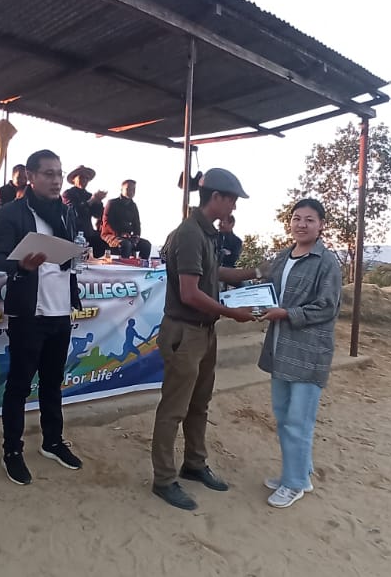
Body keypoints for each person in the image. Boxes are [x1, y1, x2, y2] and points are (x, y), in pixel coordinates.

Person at [150, 169, 262, 511]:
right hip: (185, 332)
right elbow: (189, 293)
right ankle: (163, 479)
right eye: (232, 200)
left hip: (203, 331)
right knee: (174, 409)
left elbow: (213, 273)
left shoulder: (207, 233)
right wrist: (231, 313)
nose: (234, 207)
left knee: (199, 403)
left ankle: (194, 464)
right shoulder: (189, 233)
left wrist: (257, 273)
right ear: (217, 197)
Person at [0, 149, 85, 485]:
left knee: (52, 382)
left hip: (60, 310)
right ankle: (12, 450)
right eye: (48, 173)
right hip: (29, 313)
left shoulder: (67, 212)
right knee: (19, 384)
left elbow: (72, 254)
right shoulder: (12, 212)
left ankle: (52, 441)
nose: (56, 180)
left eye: (59, 173)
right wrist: (21, 264)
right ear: (30, 176)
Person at [256, 199, 343, 509]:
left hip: (308, 352)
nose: (301, 225)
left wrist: (286, 313)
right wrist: (247, 300)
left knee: (299, 421)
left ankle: (293, 484)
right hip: (280, 349)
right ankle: (298, 475)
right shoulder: (283, 257)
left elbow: (327, 307)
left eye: (309, 219)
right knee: (283, 416)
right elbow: (264, 286)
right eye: (296, 218)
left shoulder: (326, 261)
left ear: (321, 225)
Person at [62, 164, 108, 257]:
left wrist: (98, 201)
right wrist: (92, 201)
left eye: (87, 178)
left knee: (102, 244)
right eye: (81, 177)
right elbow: (74, 211)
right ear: (74, 179)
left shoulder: (89, 195)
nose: (84, 180)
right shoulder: (68, 193)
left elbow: (98, 214)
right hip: (73, 233)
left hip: (88, 232)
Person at [101, 179, 151, 259]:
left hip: (127, 237)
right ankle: (125, 265)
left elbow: (137, 224)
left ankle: (141, 264)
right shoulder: (112, 203)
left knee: (146, 245)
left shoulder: (133, 206)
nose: (131, 191)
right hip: (110, 235)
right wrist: (120, 234)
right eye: (128, 189)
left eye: (133, 189)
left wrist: (136, 236)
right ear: (121, 190)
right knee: (126, 245)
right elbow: (107, 223)